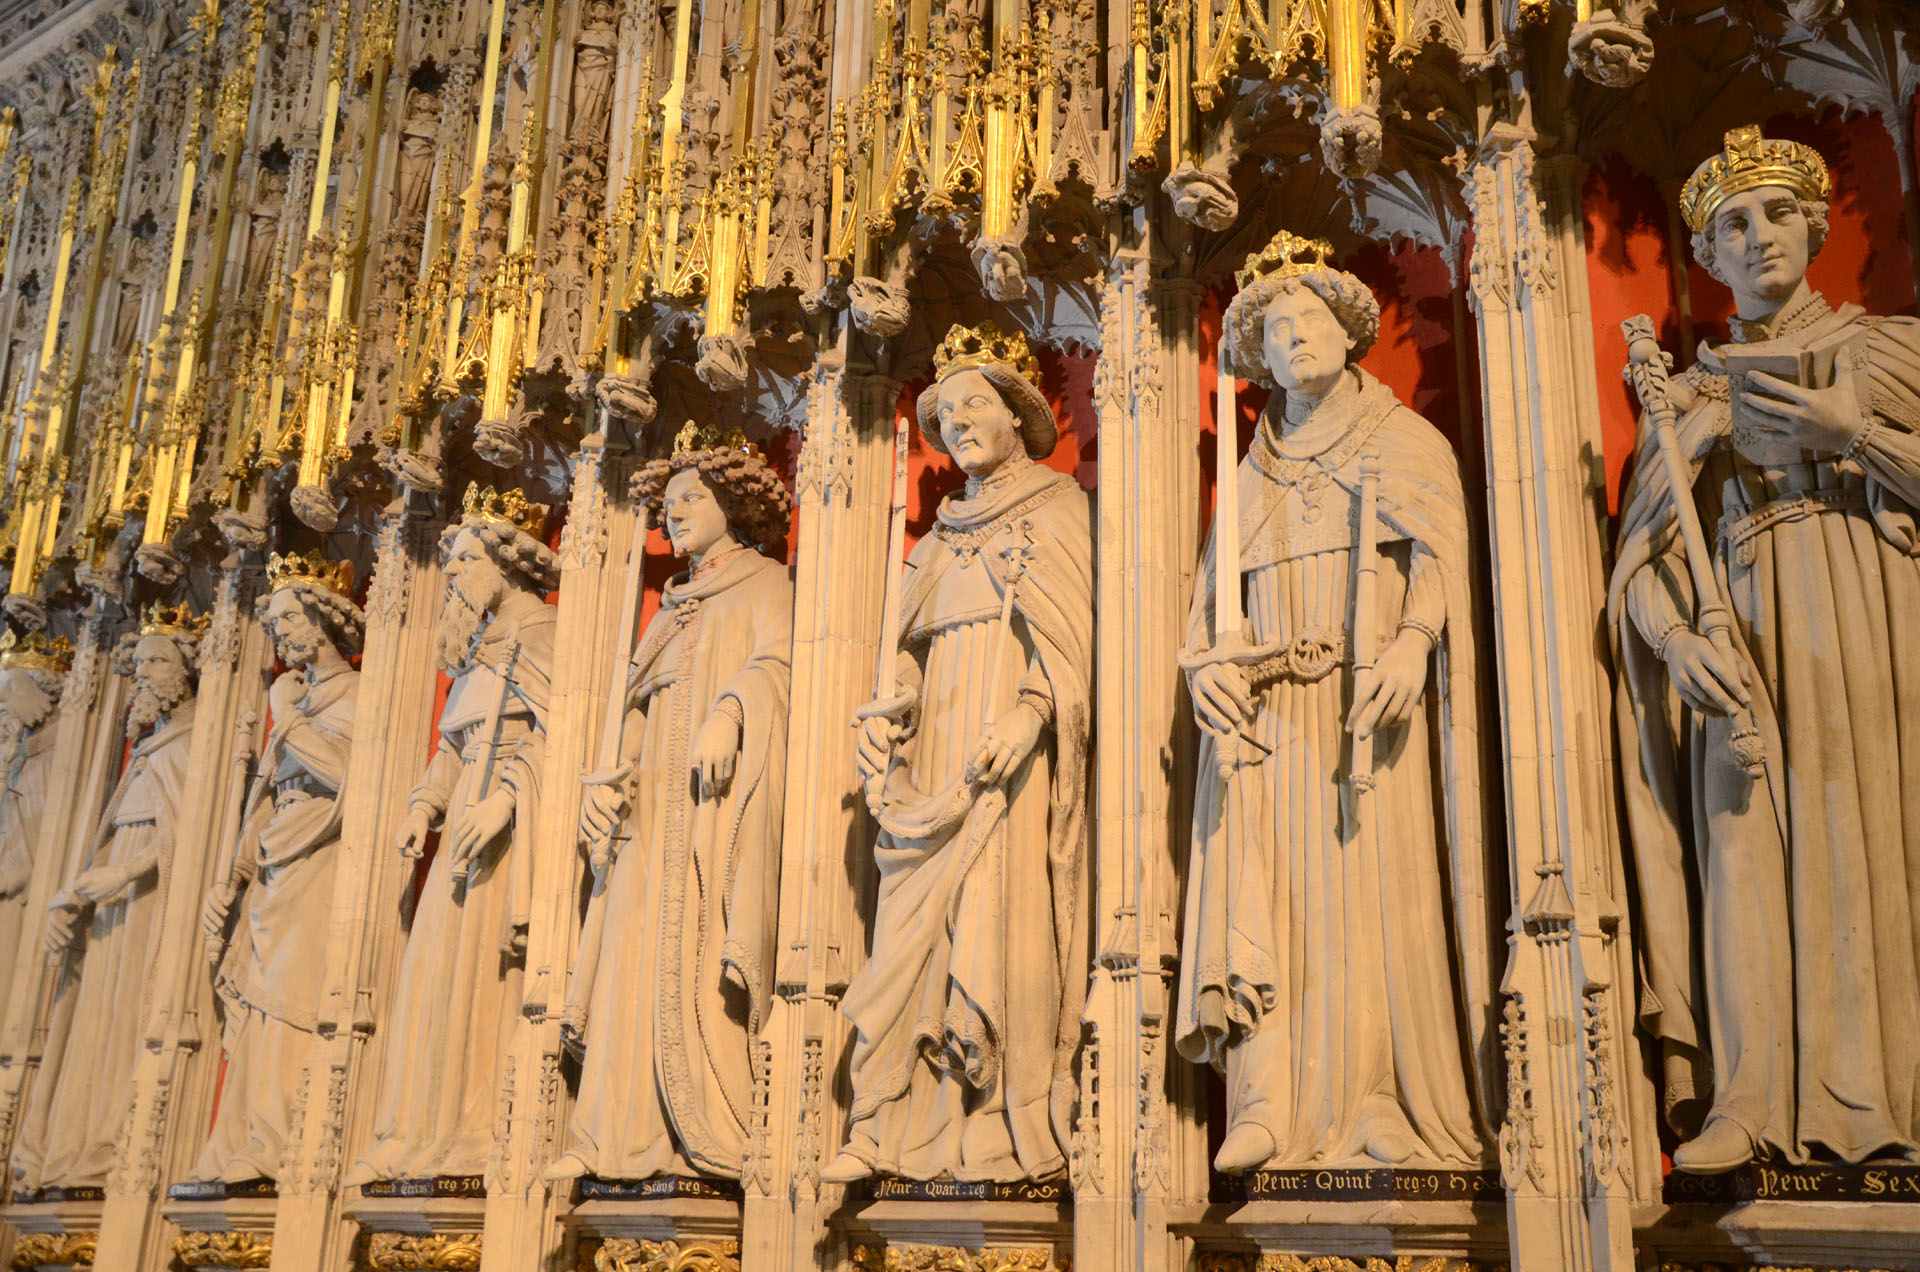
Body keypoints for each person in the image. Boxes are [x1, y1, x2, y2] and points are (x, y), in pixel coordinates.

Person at [1612, 126, 1920, 1173]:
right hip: (1738, 637)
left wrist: (1856, 438)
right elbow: (1639, 562)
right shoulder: (1685, 398)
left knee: (1873, 838)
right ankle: (1748, 1098)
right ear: (1707, 257)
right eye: (1730, 225)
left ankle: (1894, 1099)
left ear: (1817, 224)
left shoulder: (1893, 353)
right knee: (1743, 856)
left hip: (1875, 621)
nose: (1757, 237)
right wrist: (1674, 637)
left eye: (1776, 214)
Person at [1175, 232, 1495, 1171]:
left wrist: (1414, 642)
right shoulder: (1247, 478)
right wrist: (1207, 672)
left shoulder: (1400, 442)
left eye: (1310, 322)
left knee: (1371, 900)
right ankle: (1269, 1103)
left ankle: (1381, 1096)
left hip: (1368, 713)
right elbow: (1207, 617)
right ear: (1258, 358)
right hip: (1270, 726)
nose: (1295, 340)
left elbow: (1442, 555)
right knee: (1264, 898)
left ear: (1349, 334)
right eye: (1276, 332)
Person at [823, 322, 1093, 1184]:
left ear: (1021, 416)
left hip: (1004, 762)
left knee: (994, 918)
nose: (960, 423)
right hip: (931, 761)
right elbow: (903, 651)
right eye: (945, 415)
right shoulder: (935, 543)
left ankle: (1003, 1126)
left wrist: (1032, 710)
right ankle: (887, 1125)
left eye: (978, 404)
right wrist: (889, 706)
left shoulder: (1058, 509)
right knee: (904, 937)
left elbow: (1078, 643)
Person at [548, 423, 793, 1182]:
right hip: (649, 814)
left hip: (711, 814)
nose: (675, 513)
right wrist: (613, 774)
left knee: (693, 955)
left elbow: (781, 665)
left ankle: (706, 1133)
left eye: (692, 498)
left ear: (733, 505)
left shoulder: (764, 584)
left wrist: (732, 710)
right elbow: (637, 705)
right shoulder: (671, 607)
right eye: (669, 503)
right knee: (628, 955)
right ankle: (610, 1137)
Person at [347, 485, 556, 1184]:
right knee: (434, 976)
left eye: (467, 560)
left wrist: (504, 799)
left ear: (504, 563)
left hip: (507, 831)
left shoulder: (541, 634)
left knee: (483, 981)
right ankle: (419, 1129)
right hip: (461, 827)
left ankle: (474, 1135)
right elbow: (454, 746)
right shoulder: (479, 650)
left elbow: (565, 736)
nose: (457, 576)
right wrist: (422, 807)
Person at [11, 606, 204, 1191]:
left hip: (150, 904)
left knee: (126, 1018)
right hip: (113, 901)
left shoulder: (199, 740)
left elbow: (191, 832)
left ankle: (108, 1149)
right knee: (92, 1017)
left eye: (155, 661)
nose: (142, 674)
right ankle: (74, 1147)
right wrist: (76, 891)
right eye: (138, 663)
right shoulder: (151, 746)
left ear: (185, 671)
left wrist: (125, 875)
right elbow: (115, 830)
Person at [190, 553, 363, 1182]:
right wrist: (231, 876)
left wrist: (286, 718)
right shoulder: (299, 700)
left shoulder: (352, 694)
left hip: (320, 856)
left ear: (321, 621)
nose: (281, 631)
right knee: (260, 1002)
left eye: (289, 617)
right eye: (274, 621)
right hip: (275, 864)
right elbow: (263, 799)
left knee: (290, 994)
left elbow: (349, 779)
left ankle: (277, 1139)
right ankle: (243, 1138)